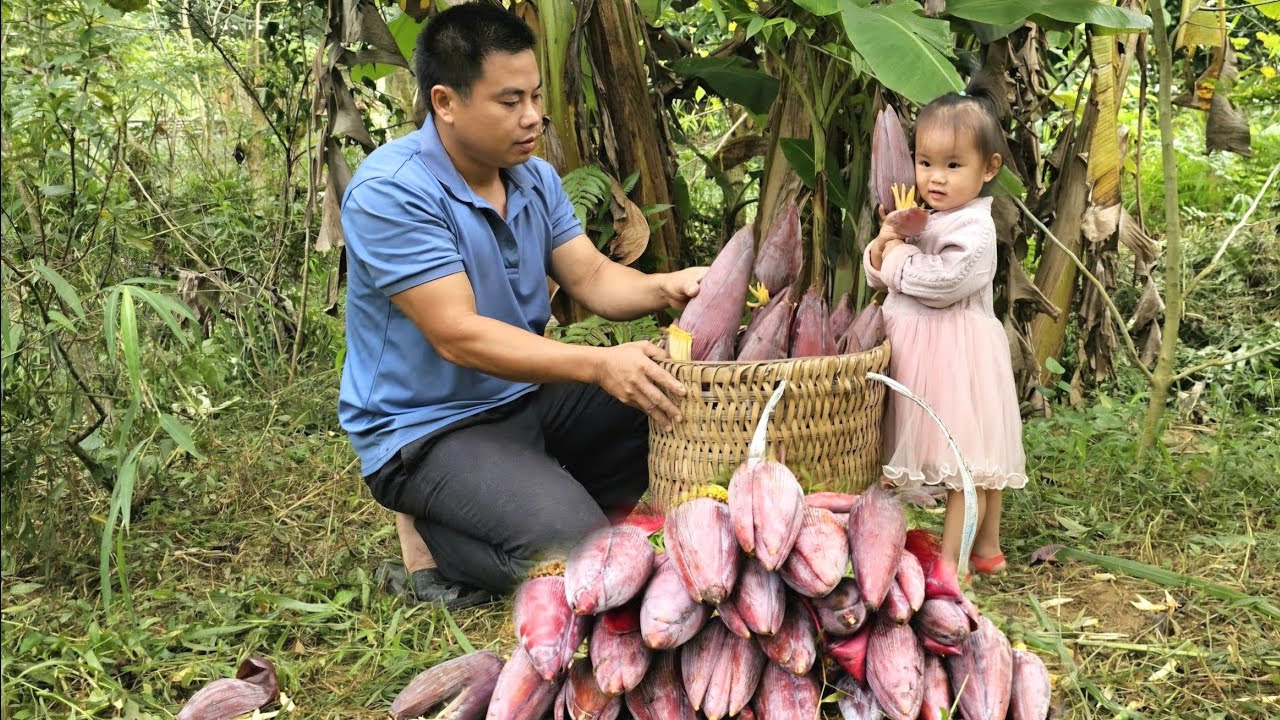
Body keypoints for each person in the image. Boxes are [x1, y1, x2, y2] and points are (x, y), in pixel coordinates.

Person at [339, 4, 706, 605]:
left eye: (535, 96)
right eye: (510, 102)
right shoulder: (392, 192)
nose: (532, 116)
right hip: (429, 428)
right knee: (582, 559)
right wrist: (600, 364)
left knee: (670, 395)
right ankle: (435, 536)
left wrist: (671, 286)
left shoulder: (533, 177)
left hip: (522, 396)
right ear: (445, 102)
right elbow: (457, 334)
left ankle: (534, 507)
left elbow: (591, 276)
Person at [863, 75, 1027, 578]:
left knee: (968, 462)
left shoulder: (975, 228)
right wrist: (885, 241)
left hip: (957, 358)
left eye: (953, 166)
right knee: (978, 459)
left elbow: (944, 282)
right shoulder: (926, 215)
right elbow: (879, 273)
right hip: (921, 355)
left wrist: (896, 256)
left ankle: (952, 565)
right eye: (925, 162)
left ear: (989, 168)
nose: (936, 178)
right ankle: (988, 548)